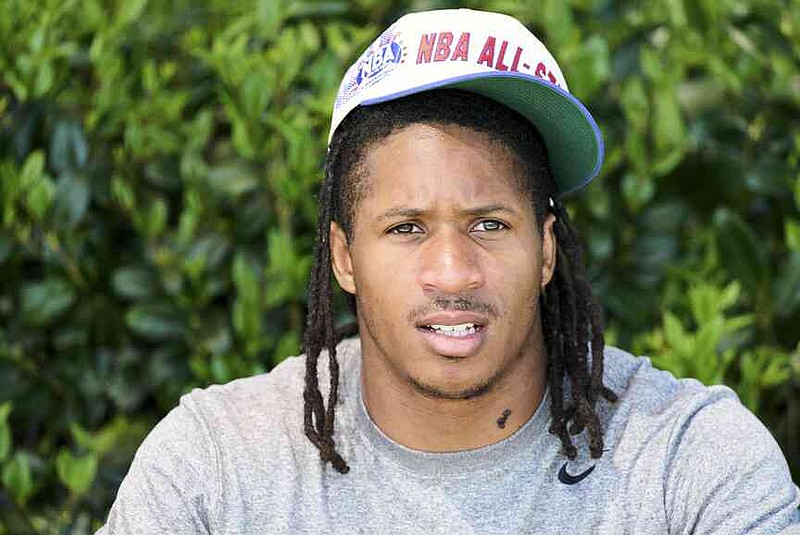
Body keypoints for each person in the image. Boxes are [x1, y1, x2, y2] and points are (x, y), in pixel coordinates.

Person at [97, 9, 800, 534]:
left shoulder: (689, 462)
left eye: (489, 224)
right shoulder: (216, 468)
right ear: (344, 256)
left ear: (546, 249)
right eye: (406, 228)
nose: (454, 272)